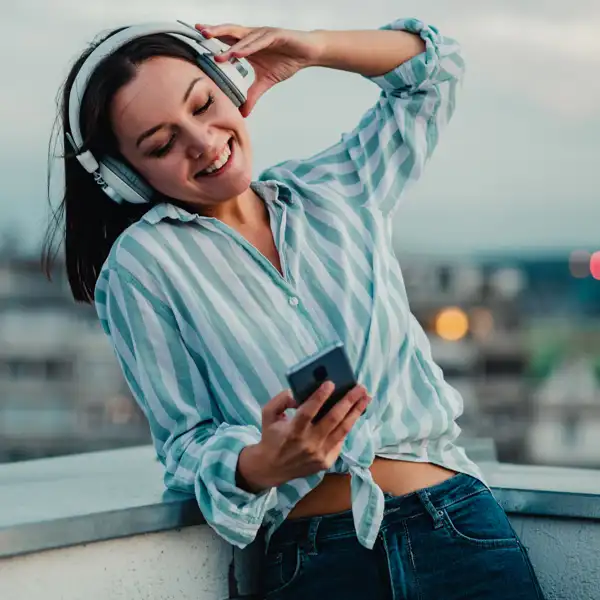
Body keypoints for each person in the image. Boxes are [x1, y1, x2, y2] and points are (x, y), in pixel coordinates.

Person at [43, 15, 545, 600]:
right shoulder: (141, 268)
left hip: (458, 529)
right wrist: (262, 461)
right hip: (318, 562)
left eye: (204, 104)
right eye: (161, 144)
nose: (202, 142)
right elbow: (184, 444)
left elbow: (435, 70)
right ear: (126, 177)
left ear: (229, 84)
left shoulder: (338, 189)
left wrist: (312, 49)